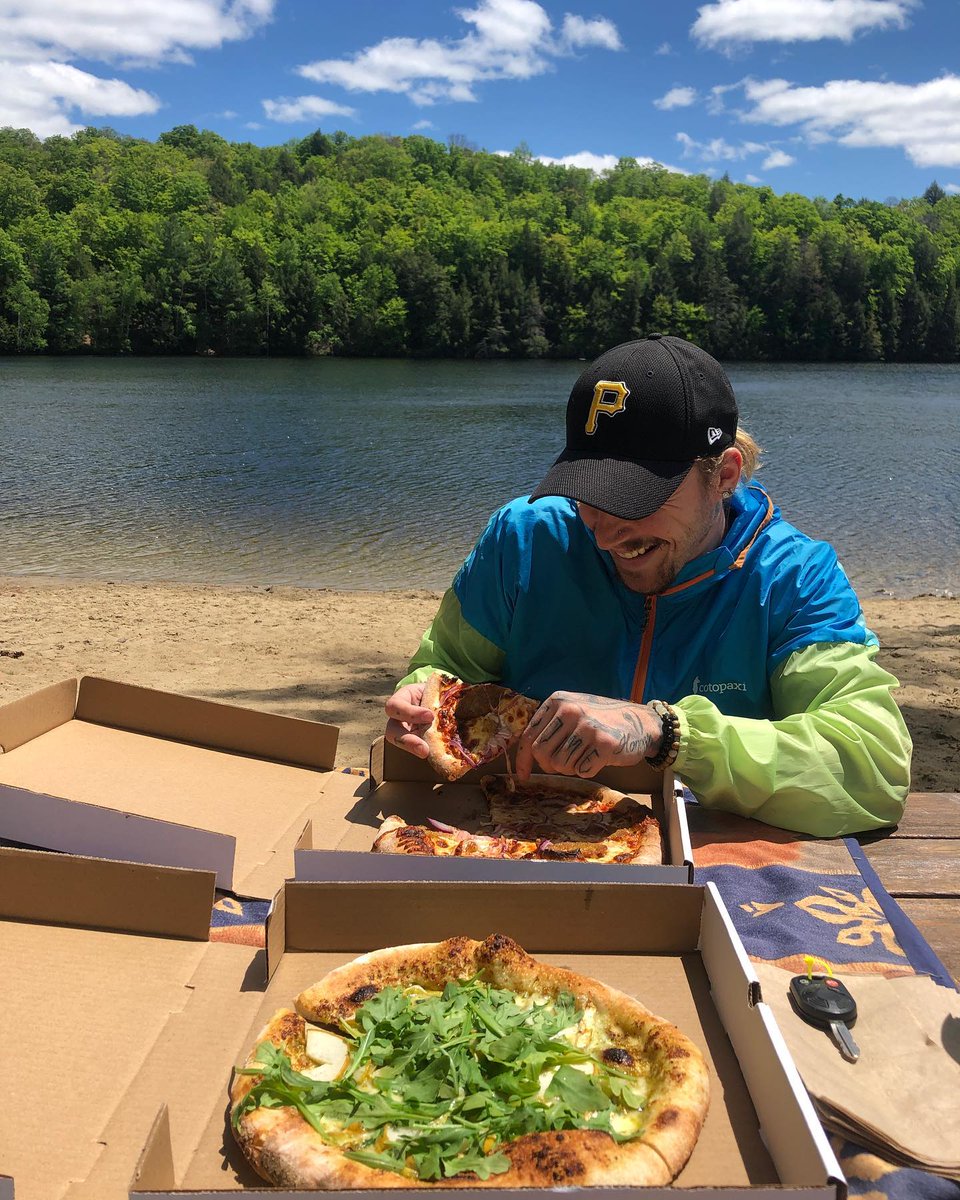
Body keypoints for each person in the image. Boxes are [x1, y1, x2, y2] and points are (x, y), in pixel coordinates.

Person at [384, 334, 912, 837]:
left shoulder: (794, 578)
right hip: (515, 839)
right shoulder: (522, 541)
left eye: (638, 498)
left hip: (707, 875)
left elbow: (872, 769)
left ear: (724, 474)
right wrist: (426, 703)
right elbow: (449, 672)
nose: (607, 531)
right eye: (589, 491)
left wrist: (669, 734)